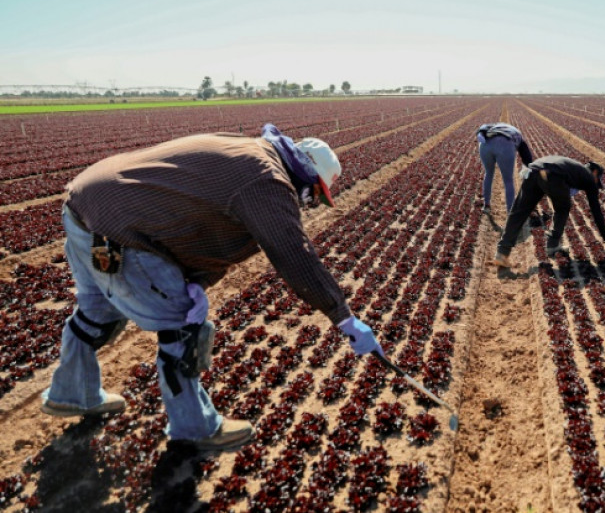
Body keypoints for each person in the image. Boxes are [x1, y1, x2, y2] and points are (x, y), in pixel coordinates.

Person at [41, 123, 384, 451]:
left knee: (97, 313)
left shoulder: (250, 153)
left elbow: (201, 225)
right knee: (182, 331)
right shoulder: (266, 181)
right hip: (122, 231)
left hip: (85, 205)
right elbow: (293, 254)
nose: (310, 204)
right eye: (315, 196)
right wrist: (343, 316)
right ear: (306, 177)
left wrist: (197, 281)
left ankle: (71, 393)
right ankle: (195, 429)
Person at [493, 155, 605, 267]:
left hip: (533, 170)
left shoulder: (573, 167)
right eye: (598, 180)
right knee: (563, 208)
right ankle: (553, 246)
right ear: (595, 172)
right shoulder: (589, 178)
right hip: (552, 174)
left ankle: (502, 253)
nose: (597, 184)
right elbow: (595, 209)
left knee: (519, 210)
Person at [475, 122, 534, 213]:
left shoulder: (492, 127)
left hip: (485, 145)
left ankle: (486, 205)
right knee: (508, 180)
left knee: (488, 173)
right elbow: (527, 156)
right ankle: (510, 211)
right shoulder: (518, 135)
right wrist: (528, 168)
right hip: (505, 145)